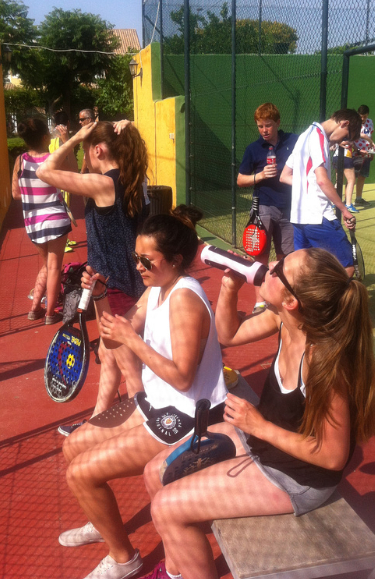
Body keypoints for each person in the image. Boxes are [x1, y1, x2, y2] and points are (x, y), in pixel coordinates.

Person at [140, 247, 375, 579]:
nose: (270, 265)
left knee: (166, 507)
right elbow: (229, 334)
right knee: (155, 472)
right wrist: (230, 287)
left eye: (279, 270)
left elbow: (332, 456)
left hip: (296, 476)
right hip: (263, 437)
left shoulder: (324, 363)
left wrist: (260, 426)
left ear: (291, 301)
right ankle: (176, 570)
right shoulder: (283, 319)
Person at [57, 209, 228, 579]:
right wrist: (100, 295)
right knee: (73, 447)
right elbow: (113, 337)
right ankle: (103, 523)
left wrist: (132, 340)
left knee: (80, 474)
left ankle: (124, 559)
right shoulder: (157, 289)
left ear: (176, 260)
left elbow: (183, 378)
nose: (138, 266)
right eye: (136, 257)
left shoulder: (184, 299)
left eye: (146, 260)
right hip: (159, 403)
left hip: (188, 417)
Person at [36, 120, 149, 433]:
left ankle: (141, 430)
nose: (84, 156)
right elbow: (76, 174)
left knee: (127, 365)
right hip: (122, 284)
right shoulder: (133, 177)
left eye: (87, 150)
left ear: (98, 149)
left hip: (113, 287)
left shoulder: (104, 185)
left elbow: (44, 171)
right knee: (108, 354)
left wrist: (75, 137)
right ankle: (99, 422)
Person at [279, 109, 361, 276]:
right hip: (318, 216)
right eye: (346, 137)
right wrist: (344, 210)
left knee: (305, 272)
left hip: (299, 219)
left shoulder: (304, 136)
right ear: (344, 124)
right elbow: (322, 180)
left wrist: (308, 185)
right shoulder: (319, 137)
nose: (343, 141)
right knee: (346, 266)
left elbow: (284, 176)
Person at [237, 103, 298, 314]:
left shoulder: (293, 141)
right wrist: (260, 176)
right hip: (263, 208)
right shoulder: (253, 149)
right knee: (260, 257)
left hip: (289, 208)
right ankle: (260, 302)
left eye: (268, 125)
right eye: (260, 126)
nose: (264, 130)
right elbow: (240, 180)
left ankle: (282, 298)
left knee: (286, 258)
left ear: (278, 123)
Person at [11, 118, 72, 325]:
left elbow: (15, 193)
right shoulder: (52, 159)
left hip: (33, 223)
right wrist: (66, 141)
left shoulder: (20, 160)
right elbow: (73, 172)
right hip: (55, 218)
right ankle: (50, 313)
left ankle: (35, 308)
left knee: (47, 265)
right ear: (46, 138)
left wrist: (34, 196)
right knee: (54, 267)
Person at [49, 110, 79, 250]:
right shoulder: (63, 140)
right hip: (63, 180)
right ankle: (62, 242)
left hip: (54, 178)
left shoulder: (52, 139)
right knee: (64, 211)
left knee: (62, 210)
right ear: (68, 123)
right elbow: (69, 160)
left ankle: (65, 240)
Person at [353, 105, 375, 207]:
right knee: (352, 177)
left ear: (368, 115)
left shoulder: (370, 122)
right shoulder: (354, 122)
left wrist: (372, 151)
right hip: (355, 153)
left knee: (362, 176)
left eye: (364, 116)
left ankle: (358, 199)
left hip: (366, 153)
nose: (362, 119)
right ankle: (346, 201)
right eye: (361, 116)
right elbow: (352, 138)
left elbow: (370, 136)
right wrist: (357, 150)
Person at [332, 139, 357, 213]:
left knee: (338, 181)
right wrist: (371, 142)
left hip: (336, 157)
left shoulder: (337, 135)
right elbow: (362, 135)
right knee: (351, 181)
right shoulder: (349, 133)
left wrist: (357, 149)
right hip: (346, 157)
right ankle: (348, 204)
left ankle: (334, 203)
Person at [78, 108, 97, 174]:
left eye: (82, 120)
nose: (79, 122)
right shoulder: (97, 130)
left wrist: (82, 172)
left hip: (93, 170)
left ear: (89, 120)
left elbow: (87, 154)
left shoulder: (90, 133)